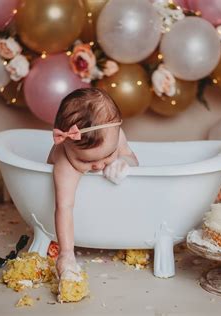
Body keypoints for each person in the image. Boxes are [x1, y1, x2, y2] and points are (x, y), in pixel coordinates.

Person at [46, 87, 139, 281]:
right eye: (86, 161)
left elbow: (133, 159)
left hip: (108, 216)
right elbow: (64, 207)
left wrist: (124, 162)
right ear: (67, 146)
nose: (98, 166)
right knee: (64, 203)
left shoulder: (115, 135)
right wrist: (66, 253)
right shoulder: (65, 161)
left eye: (108, 155)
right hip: (70, 219)